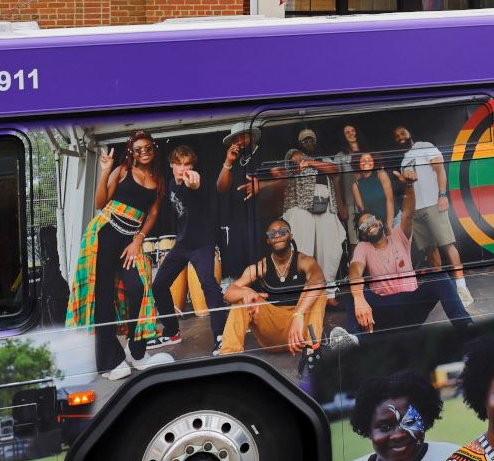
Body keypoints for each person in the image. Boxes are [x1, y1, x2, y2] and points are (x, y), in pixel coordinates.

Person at [67, 130, 167, 380]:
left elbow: (152, 214)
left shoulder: (157, 178)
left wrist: (139, 239)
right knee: (102, 297)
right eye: (139, 149)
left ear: (153, 149)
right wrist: (104, 171)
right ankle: (108, 361)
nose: (144, 152)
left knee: (139, 289)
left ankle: (136, 351)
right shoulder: (121, 170)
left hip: (130, 240)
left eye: (148, 148)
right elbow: (100, 203)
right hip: (105, 234)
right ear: (131, 152)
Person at [346, 182, 473, 334]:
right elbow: (354, 271)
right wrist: (359, 298)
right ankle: (352, 340)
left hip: (412, 303)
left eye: (371, 220)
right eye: (363, 225)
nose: (368, 225)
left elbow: (408, 212)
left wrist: (408, 185)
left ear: (379, 221)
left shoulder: (399, 235)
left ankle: (467, 327)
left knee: (440, 277)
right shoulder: (363, 247)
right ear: (363, 234)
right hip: (384, 309)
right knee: (351, 293)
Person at [148, 143, 229, 348]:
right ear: (171, 165)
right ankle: (172, 332)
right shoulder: (170, 184)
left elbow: (196, 187)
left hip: (202, 244)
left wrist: (194, 185)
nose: (183, 168)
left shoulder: (194, 181)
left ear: (192, 166)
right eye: (179, 164)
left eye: (187, 164)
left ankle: (221, 336)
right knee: (158, 285)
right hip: (183, 244)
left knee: (209, 287)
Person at [332, 370, 459, 461]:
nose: (398, 435)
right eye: (384, 427)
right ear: (368, 430)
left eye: (409, 422)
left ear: (425, 421)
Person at [218, 217, 327, 356]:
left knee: (319, 290)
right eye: (272, 234)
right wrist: (246, 294)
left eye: (283, 232)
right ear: (268, 240)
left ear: (291, 235)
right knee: (243, 294)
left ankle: (312, 355)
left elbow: (319, 280)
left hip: (299, 330)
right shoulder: (261, 266)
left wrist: (298, 314)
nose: (277, 236)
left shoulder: (303, 261)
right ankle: (229, 355)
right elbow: (228, 293)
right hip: (272, 331)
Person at [393, 122, 473, 306]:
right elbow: (410, 187)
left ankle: (462, 288)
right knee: (430, 250)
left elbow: (440, 170)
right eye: (396, 137)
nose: (400, 137)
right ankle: (445, 290)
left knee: (448, 245)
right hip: (416, 211)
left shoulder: (424, 146)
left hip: (433, 204)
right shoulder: (404, 159)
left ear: (409, 132)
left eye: (402, 132)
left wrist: (442, 195)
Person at [279, 128, 346, 285]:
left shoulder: (324, 159)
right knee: (303, 248)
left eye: (312, 140)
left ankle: (328, 292)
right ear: (299, 144)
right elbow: (296, 158)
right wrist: (304, 160)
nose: (309, 142)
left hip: (325, 205)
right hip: (300, 205)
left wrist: (309, 162)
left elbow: (333, 169)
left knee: (331, 250)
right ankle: (304, 290)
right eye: (305, 140)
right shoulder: (292, 153)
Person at [216, 125, 273, 273]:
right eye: (235, 139)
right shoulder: (236, 160)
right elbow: (221, 188)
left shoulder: (265, 153)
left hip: (262, 219)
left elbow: (283, 180)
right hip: (239, 222)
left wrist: (261, 185)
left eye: (242, 136)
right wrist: (228, 161)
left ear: (252, 136)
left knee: (261, 266)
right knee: (241, 268)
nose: (239, 141)